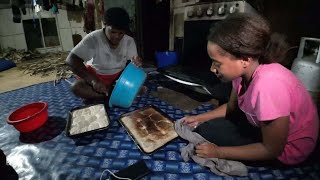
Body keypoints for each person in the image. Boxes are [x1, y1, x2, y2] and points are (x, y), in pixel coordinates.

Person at [182, 13, 319, 166]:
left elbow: (273, 150)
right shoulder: (242, 74)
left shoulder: (268, 85)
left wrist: (219, 152)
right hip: (265, 130)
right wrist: (200, 117)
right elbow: (232, 108)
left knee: (208, 133)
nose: (212, 69)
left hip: (286, 149)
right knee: (206, 127)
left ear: (245, 60)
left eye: (217, 63)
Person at [66, 7, 142, 103]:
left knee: (140, 81)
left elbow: (132, 66)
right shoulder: (93, 38)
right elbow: (71, 60)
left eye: (121, 33)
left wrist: (136, 64)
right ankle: (115, 94)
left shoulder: (128, 41)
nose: (117, 37)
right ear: (105, 25)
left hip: (119, 80)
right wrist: (94, 81)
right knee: (76, 88)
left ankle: (107, 94)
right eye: (113, 32)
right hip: (97, 76)